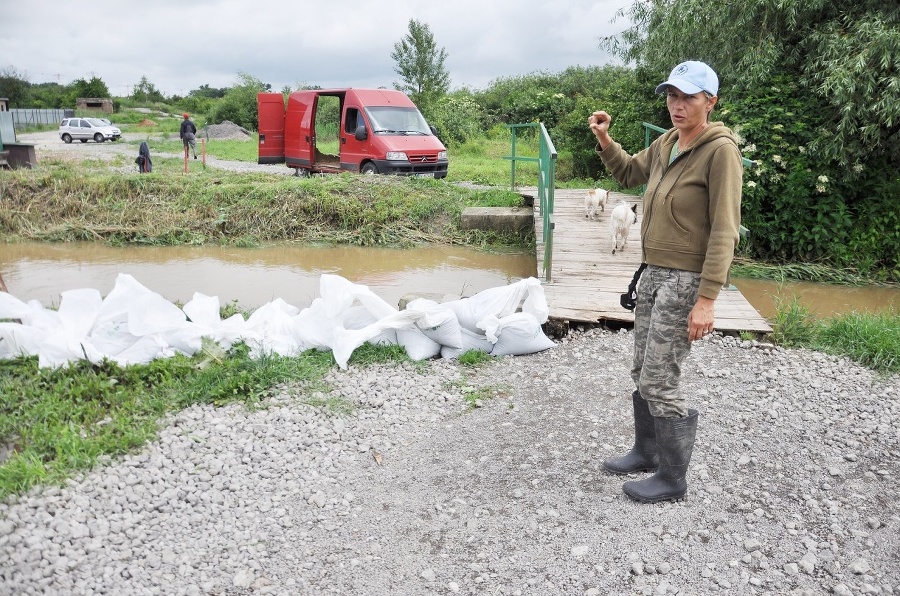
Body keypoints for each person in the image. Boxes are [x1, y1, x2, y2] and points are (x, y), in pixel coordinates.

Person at [588, 60, 743, 503]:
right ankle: (647, 451)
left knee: (660, 377)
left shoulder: (720, 151)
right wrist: (604, 138)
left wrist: (708, 299)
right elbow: (629, 174)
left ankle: (674, 479)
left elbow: (724, 228)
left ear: (710, 102)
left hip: (687, 280)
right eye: (672, 96)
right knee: (641, 370)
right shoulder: (667, 142)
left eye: (688, 97)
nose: (677, 105)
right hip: (653, 272)